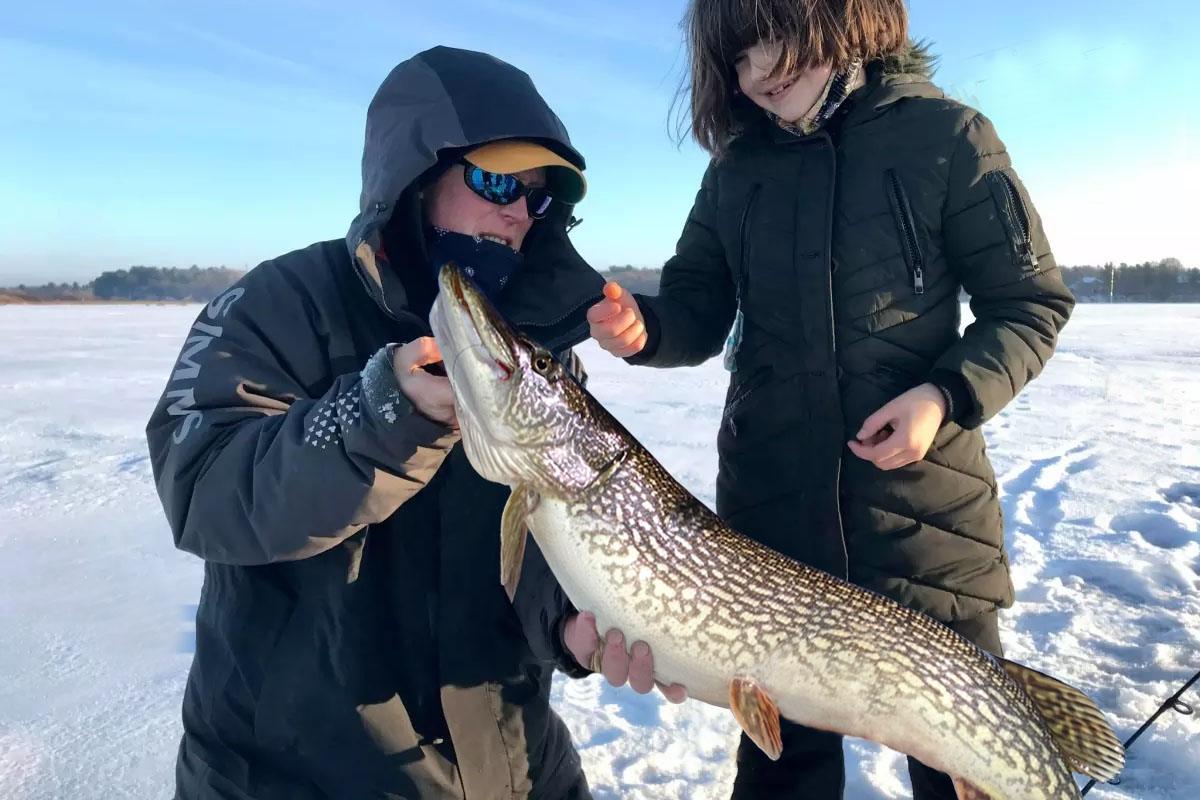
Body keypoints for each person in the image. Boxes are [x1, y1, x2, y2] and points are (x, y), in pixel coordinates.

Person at [147, 46, 678, 800]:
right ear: (416, 177)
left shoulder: (531, 341)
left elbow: (542, 527)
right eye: (497, 180)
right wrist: (379, 417)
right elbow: (205, 490)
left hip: (515, 769)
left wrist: (565, 622)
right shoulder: (283, 303)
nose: (518, 212)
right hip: (292, 776)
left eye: (538, 198)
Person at [586, 2, 1075, 798]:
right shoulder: (736, 171)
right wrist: (645, 329)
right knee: (782, 769)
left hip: (926, 527)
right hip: (771, 533)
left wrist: (944, 396)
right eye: (737, 58)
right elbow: (695, 309)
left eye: (777, 36)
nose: (759, 72)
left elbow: (1030, 306)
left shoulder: (947, 137)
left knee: (973, 763)